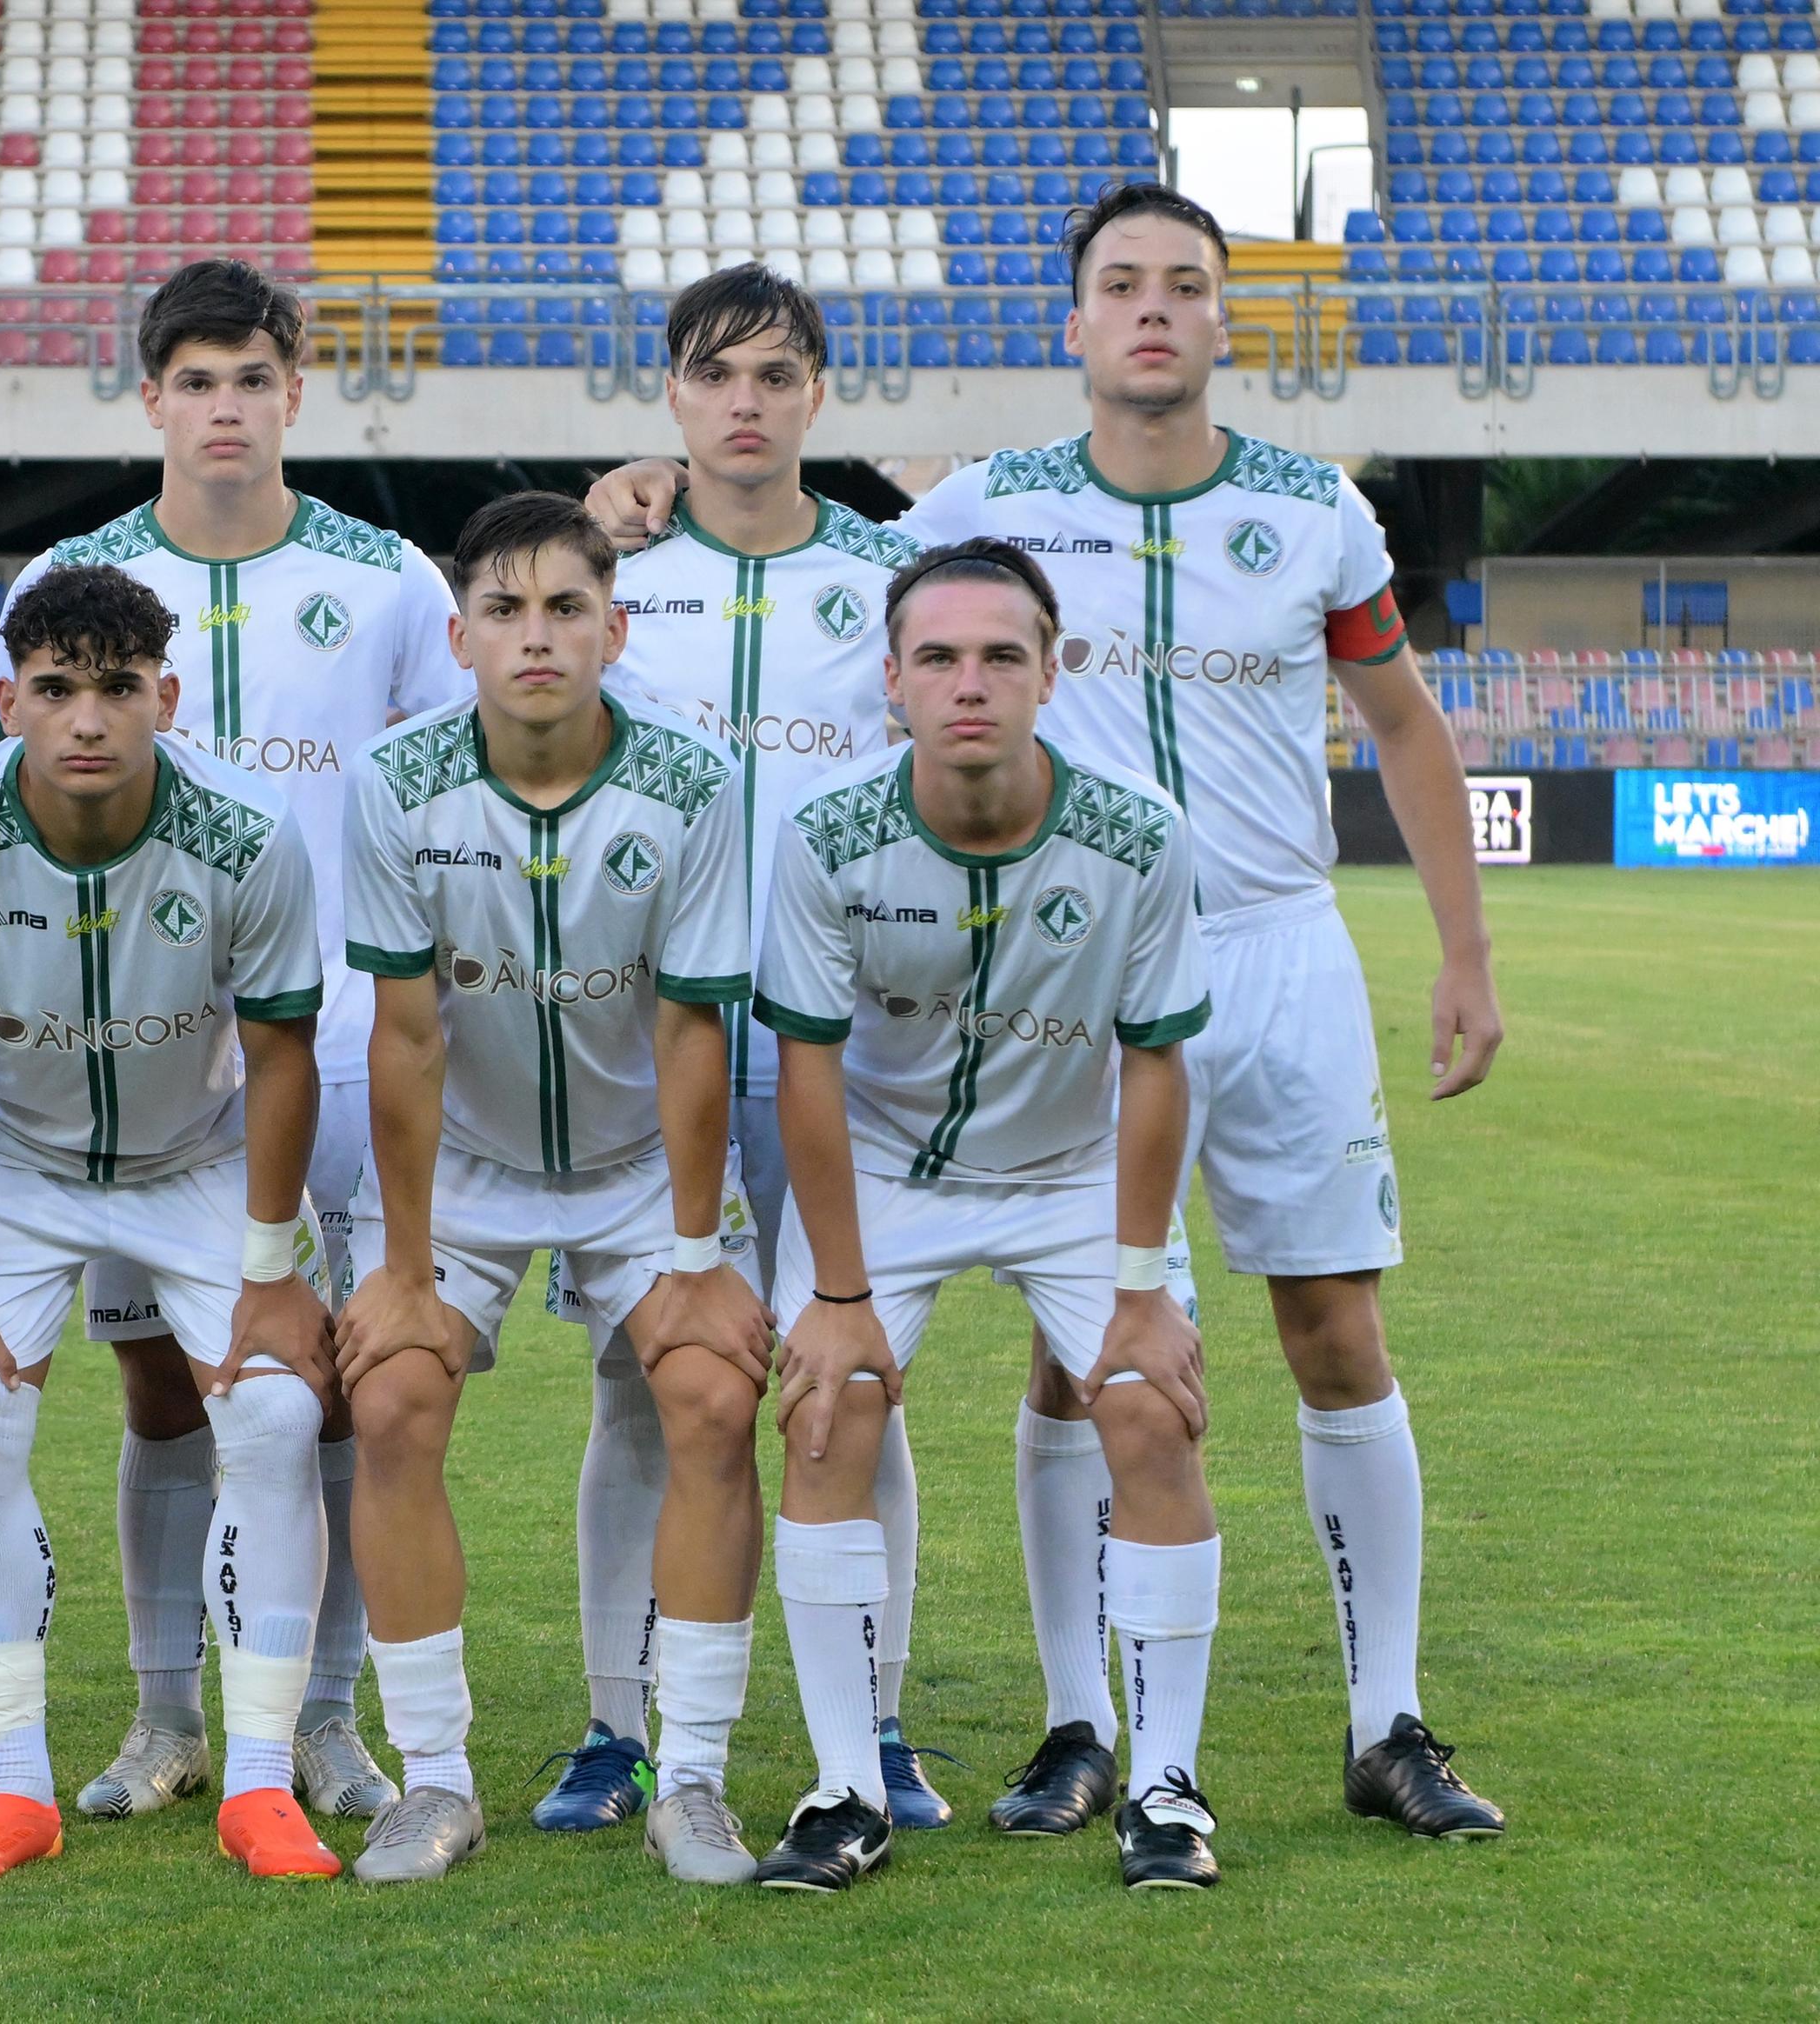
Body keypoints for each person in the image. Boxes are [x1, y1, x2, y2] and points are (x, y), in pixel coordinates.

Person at [583, 185, 1509, 1843]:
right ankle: (1082, 1725)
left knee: (1333, 1327)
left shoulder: (1317, 510)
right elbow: (812, 537)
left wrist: (1465, 954)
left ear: (1226, 319)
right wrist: (643, 500)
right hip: (1055, 968)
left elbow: (1405, 723)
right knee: (1083, 1352)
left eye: (1185, 287)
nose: (1152, 311)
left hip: (1274, 944)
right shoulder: (994, 500)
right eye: (1119, 286)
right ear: (1072, 322)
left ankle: (1392, 1722)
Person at [0, 258, 460, 1825]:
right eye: (193, 382)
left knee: (314, 1386)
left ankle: (320, 1720)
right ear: (152, 400)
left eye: (250, 380)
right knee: (161, 1392)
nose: (223, 409)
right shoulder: (76, 570)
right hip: (134, 1055)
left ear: (294, 394)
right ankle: (164, 1715)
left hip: (325, 1043)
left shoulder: (389, 577)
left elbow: (420, 802)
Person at [534, 263, 937, 1838]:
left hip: (857, 1043)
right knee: (649, 1393)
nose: (747, 402)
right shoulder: (613, 581)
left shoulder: (895, 577)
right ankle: (614, 1732)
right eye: (715, 376)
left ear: (817, 392)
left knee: (856, 1385)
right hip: (660, 1046)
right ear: (675, 398)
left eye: (776, 374)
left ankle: (880, 1728)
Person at [753, 536, 1220, 1893]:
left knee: (1147, 1404)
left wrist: (1140, 1289)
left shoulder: (1139, 833)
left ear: (1052, 672)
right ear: (892, 680)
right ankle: (845, 1789)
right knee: (828, 1412)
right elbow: (810, 1072)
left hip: (1076, 1170)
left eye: (1003, 656)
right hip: (891, 1171)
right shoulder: (827, 835)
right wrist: (838, 1299)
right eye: (940, 659)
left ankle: (1166, 1789)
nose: (972, 684)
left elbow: (1155, 1064)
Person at [0, 564, 343, 1884]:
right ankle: (14, 1788)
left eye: (118, 689)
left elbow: (284, 1048)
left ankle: (257, 1782)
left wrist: (268, 1271)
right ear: (9, 696)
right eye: (59, 689)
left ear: (166, 699)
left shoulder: (249, 831)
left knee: (277, 1415)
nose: (87, 718)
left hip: (196, 1154)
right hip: (7, 1158)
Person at [336, 492, 770, 1887]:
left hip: (642, 1164)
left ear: (614, 629)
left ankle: (690, 1777)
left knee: (711, 1394)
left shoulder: (695, 782)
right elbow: (402, 1036)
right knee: (391, 1399)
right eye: (506, 611)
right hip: (462, 1165)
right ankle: (436, 1781)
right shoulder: (394, 780)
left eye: (567, 609)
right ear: (458, 634)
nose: (537, 637)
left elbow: (691, 1028)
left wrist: (698, 1254)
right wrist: (403, 1267)